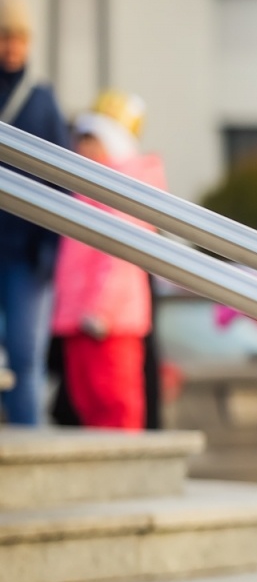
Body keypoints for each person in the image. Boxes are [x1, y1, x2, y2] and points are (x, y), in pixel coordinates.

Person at [50, 92, 166, 430]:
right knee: (85, 402)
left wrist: (101, 311)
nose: (82, 149)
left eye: (91, 140)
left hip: (109, 323)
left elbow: (120, 258)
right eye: (81, 140)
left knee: (115, 402)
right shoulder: (85, 191)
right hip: (79, 318)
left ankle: (125, 476)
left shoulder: (123, 190)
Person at [0, 0, 70, 425]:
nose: (13, 47)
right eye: (6, 37)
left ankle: (30, 441)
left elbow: (62, 179)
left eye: (20, 38)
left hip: (28, 255)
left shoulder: (42, 100)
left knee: (26, 358)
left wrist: (49, 249)